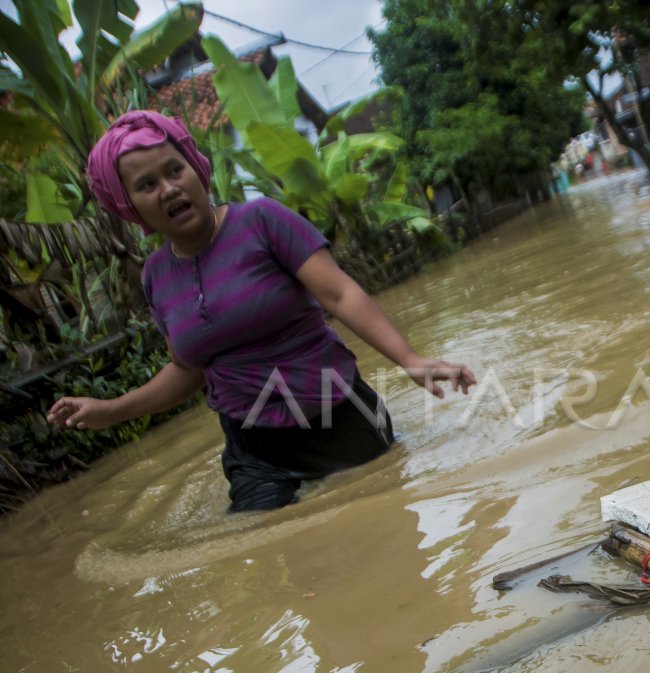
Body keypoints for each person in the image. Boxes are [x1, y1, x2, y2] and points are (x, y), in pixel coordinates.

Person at [47, 110, 476, 512]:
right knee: (269, 547)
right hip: (253, 449)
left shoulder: (261, 221)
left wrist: (410, 360)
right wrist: (110, 409)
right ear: (130, 206)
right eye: (146, 185)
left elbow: (340, 295)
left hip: (339, 417)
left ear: (195, 168)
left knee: (381, 537)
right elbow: (187, 369)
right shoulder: (156, 276)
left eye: (174, 170)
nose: (169, 188)